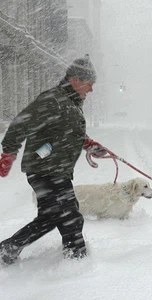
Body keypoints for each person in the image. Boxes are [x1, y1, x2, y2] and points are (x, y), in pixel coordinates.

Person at [0, 54, 107, 266]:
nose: (91, 89)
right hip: (45, 169)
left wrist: (90, 145)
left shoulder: (70, 103)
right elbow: (21, 124)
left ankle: (8, 249)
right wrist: (8, 154)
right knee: (70, 217)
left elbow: (68, 132)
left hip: (54, 170)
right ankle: (76, 262)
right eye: (89, 84)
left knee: (51, 217)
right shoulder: (52, 99)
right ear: (75, 79)